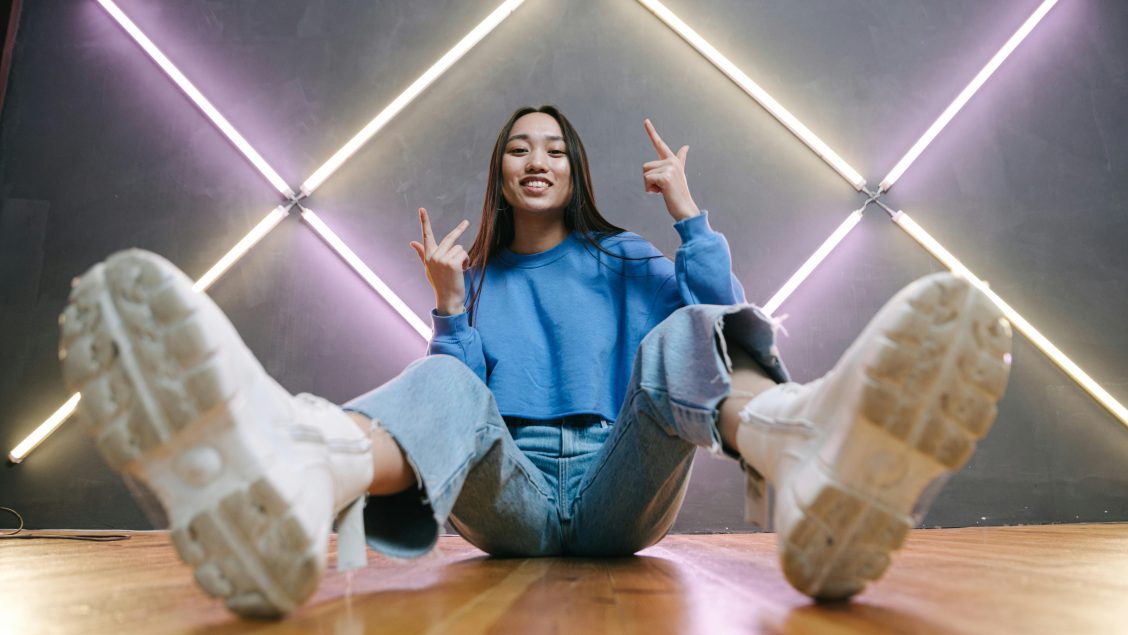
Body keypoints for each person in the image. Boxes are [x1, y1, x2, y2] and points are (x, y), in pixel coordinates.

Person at [58, 105, 1012, 618]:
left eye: (553, 146)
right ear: (503, 171)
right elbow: (455, 395)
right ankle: (300, 468)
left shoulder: (627, 258)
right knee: (454, 379)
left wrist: (686, 211)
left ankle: (803, 453)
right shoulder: (473, 276)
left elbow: (713, 318)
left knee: (677, 339)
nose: (536, 158)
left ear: (575, 167)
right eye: (519, 148)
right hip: (508, 499)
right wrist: (443, 304)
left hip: (615, 488)